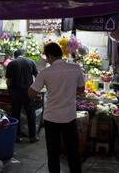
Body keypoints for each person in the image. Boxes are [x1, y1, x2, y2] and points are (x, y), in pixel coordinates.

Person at [28, 42, 85, 173]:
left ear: (50, 56)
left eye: (46, 57)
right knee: (73, 152)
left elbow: (31, 93)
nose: (46, 60)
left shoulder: (45, 72)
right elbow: (81, 90)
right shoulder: (76, 68)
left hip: (51, 118)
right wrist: (68, 90)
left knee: (53, 153)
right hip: (69, 117)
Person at [6, 49, 39, 143]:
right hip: (28, 92)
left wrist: (10, 91)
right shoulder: (31, 62)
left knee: (16, 114)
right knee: (30, 113)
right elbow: (38, 77)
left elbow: (9, 80)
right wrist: (35, 88)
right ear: (23, 54)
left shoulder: (11, 64)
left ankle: (16, 136)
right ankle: (33, 137)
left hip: (16, 92)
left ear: (15, 55)